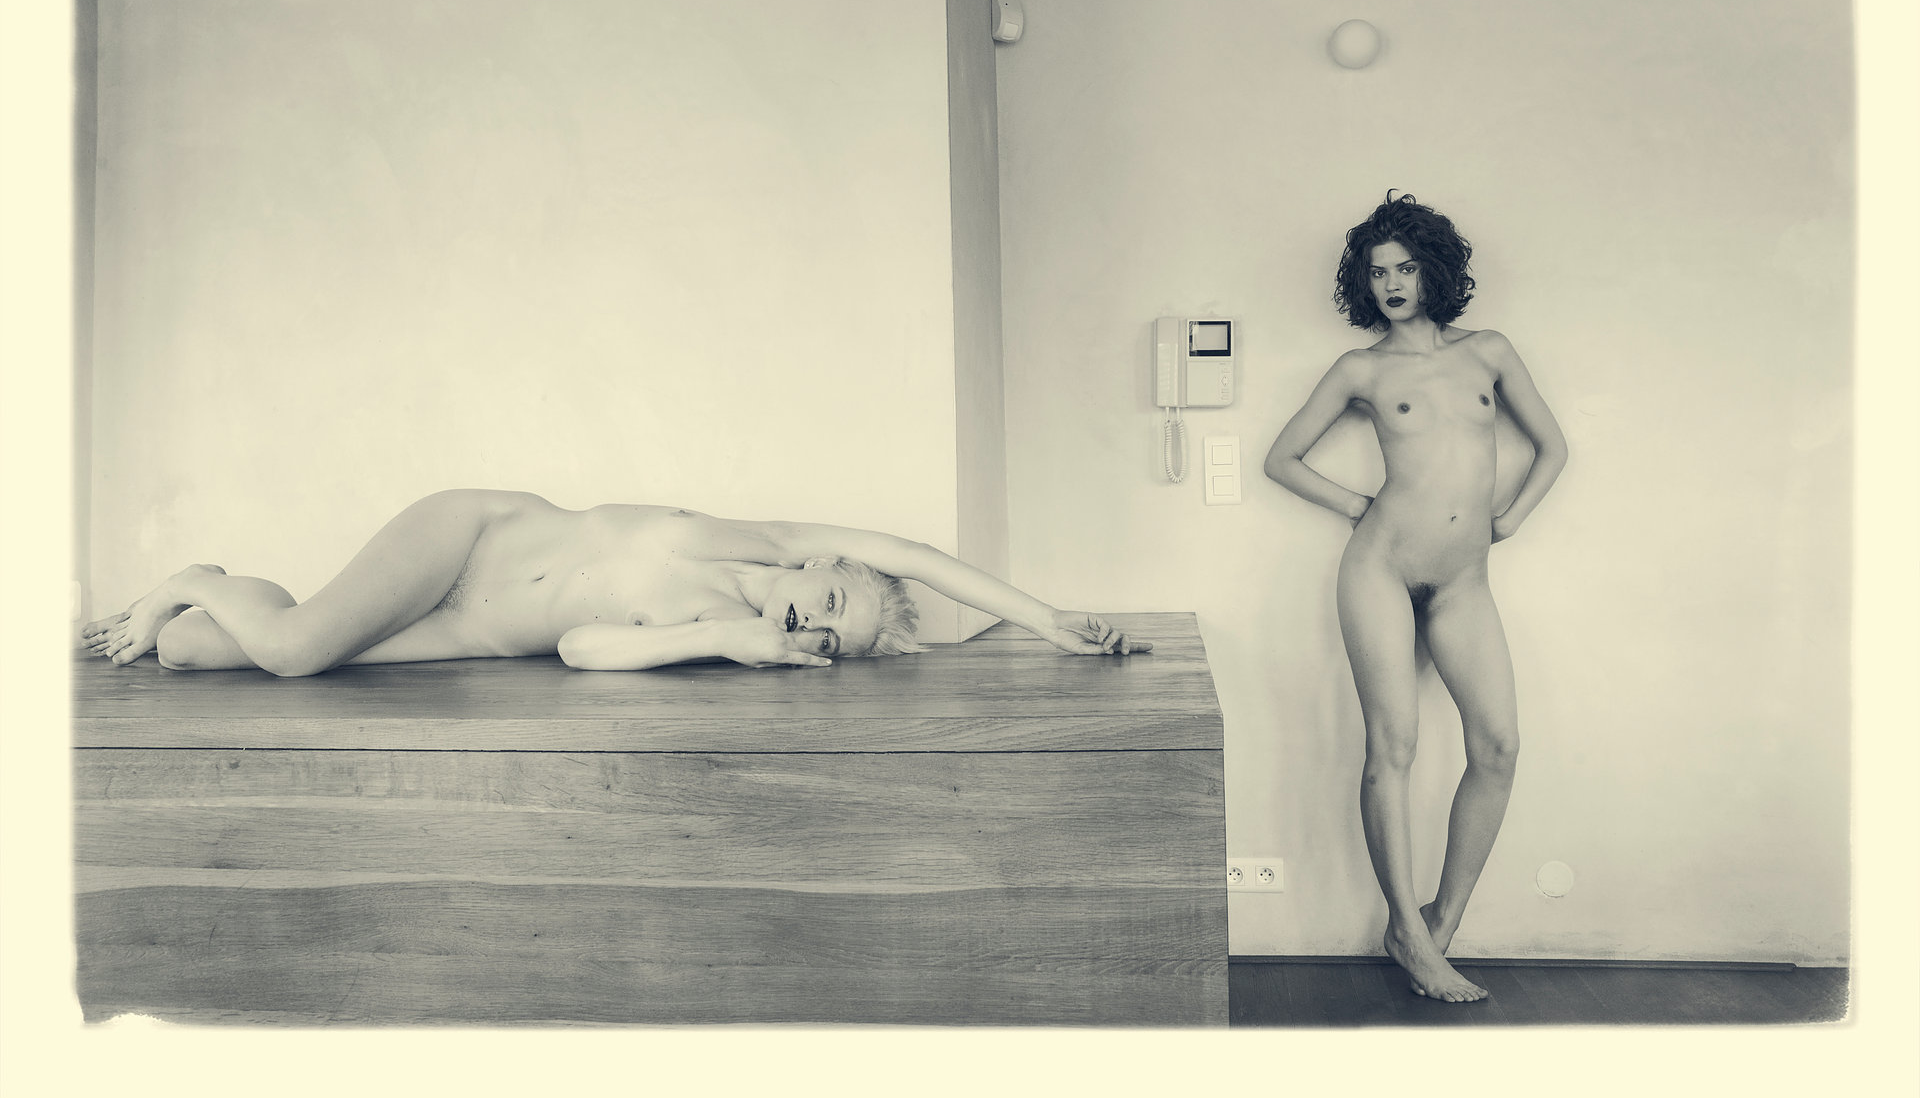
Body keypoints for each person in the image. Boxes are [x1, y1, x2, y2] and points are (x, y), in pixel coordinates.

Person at [1264, 192, 1566, 1004]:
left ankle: (1439, 922)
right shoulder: (1360, 369)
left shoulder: (1489, 352)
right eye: (1377, 273)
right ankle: (1403, 924)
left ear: (1432, 270)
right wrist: (1356, 505)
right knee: (1391, 746)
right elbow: (1281, 458)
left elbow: (1553, 445)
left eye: (1403, 268)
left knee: (1498, 746)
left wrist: (1509, 519)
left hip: (1466, 579)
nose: (1392, 284)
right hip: (1380, 570)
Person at [80, 492, 1150, 675]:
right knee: (292, 651)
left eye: (833, 640)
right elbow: (913, 555)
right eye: (832, 602)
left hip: (469, 630)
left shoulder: (724, 634)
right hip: (469, 541)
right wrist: (1049, 619)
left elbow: (579, 648)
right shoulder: (771, 535)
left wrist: (725, 643)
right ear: (822, 565)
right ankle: (190, 574)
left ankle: (212, 591)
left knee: (190, 651)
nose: (813, 621)